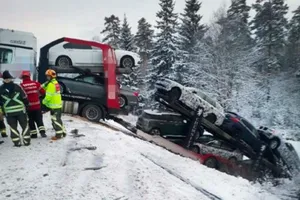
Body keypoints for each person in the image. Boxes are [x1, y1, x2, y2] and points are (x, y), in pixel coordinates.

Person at [0, 70, 30, 147]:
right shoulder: (17, 86)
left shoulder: (1, 89)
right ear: (10, 78)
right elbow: (25, 97)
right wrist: (27, 105)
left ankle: (17, 142)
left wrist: (3, 110)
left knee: (13, 127)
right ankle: (26, 141)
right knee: (24, 126)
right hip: (20, 111)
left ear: (3, 79)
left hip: (9, 113)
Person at [20, 71, 47, 138]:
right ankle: (42, 132)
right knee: (39, 119)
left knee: (30, 120)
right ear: (29, 76)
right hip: (37, 106)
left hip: (28, 107)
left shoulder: (21, 86)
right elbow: (43, 92)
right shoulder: (36, 84)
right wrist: (39, 96)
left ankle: (34, 134)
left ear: (22, 77)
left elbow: (20, 96)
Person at [42, 69, 66, 140]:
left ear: (51, 77)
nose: (47, 77)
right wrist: (44, 85)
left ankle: (59, 135)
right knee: (58, 119)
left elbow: (48, 96)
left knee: (55, 120)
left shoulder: (51, 85)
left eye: (48, 76)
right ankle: (63, 132)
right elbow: (46, 88)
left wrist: (43, 102)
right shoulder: (55, 83)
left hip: (54, 106)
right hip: (57, 105)